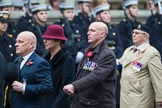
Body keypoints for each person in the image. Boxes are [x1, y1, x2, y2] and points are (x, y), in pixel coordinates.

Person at [63, 22, 116, 108]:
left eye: (92, 30)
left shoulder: (107, 55)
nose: (88, 33)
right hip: (84, 102)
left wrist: (74, 86)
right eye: (88, 30)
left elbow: (96, 76)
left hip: (98, 104)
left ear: (102, 34)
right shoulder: (89, 51)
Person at [119, 24, 162, 108]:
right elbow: (119, 67)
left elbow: (158, 77)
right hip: (125, 98)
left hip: (140, 98)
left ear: (145, 37)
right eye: (133, 32)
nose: (133, 35)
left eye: (137, 33)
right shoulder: (128, 50)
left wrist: (160, 98)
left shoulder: (151, 53)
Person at [11, 31, 53, 108]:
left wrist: (24, 88)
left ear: (31, 44)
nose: (16, 44)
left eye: (20, 42)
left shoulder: (40, 63)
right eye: (16, 41)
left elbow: (47, 87)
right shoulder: (17, 60)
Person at [42, 24, 75, 108]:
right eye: (44, 38)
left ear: (58, 41)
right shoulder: (45, 56)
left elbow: (65, 88)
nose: (44, 41)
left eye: (48, 38)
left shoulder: (67, 59)